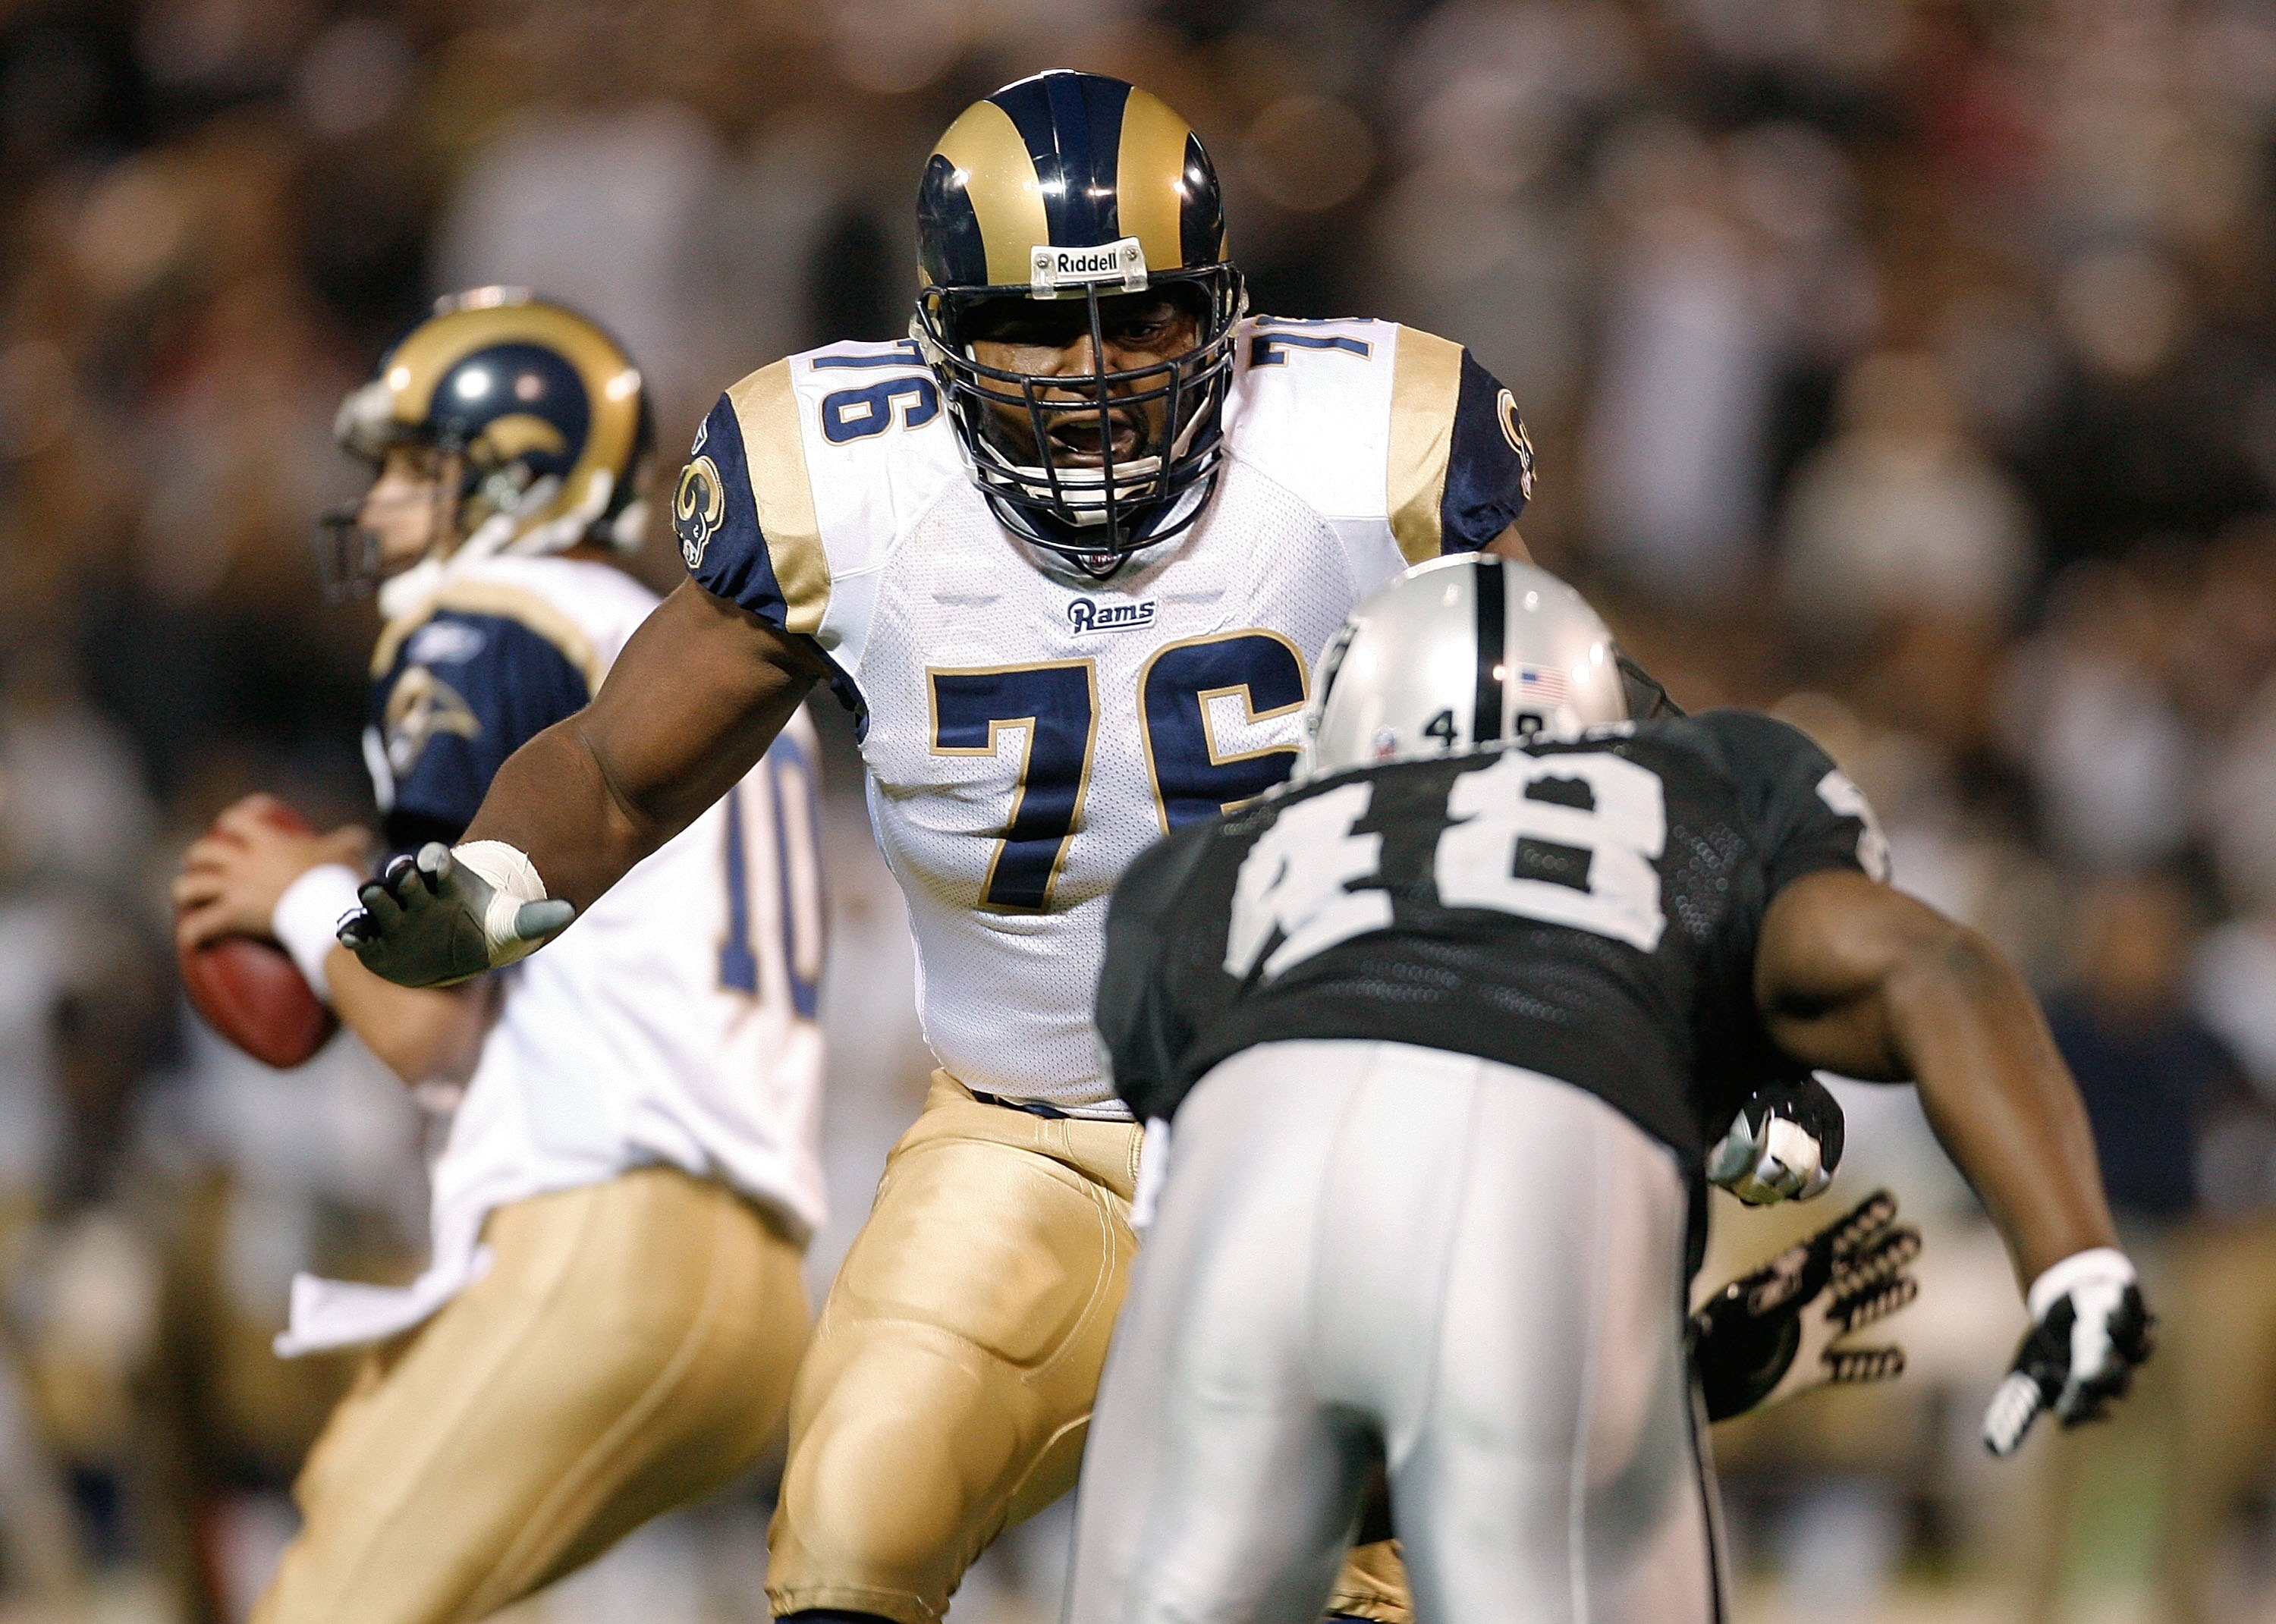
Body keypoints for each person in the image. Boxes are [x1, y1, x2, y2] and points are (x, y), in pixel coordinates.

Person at [333, 75, 1828, 1624]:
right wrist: (504, 876)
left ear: (1225, 314)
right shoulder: (844, 481)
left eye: (1149, 320)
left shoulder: (1348, 449)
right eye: (1038, 327)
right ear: (939, 332)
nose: (1098, 373)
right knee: (855, 1526)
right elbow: (616, 771)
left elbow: (1580, 734)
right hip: (1023, 1141)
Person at [1067, 554, 2152, 1624]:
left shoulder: (1199, 876)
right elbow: (1935, 968)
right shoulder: (1697, 791)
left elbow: (1301, 1421)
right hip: (1538, 1174)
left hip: (1243, 1197)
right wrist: (2072, 1259)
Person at [170, 291, 828, 1624]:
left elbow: (432, 1018)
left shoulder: (490, 613)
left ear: (516, 479)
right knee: (360, 1502)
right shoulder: (680, 656)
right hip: (756, 1297)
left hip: (600, 1244)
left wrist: (304, 900)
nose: (383, 506)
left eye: (415, 467)